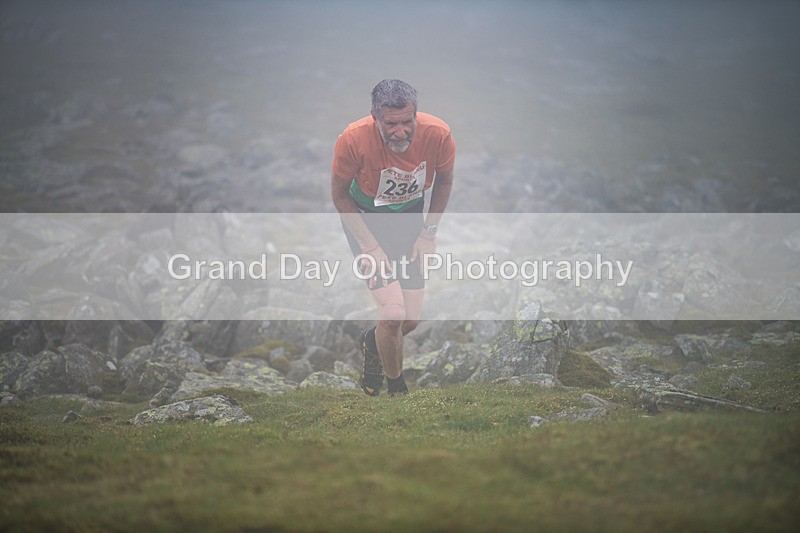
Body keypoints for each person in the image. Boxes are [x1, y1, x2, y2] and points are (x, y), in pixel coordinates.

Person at [331, 79, 455, 396]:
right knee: (392, 316)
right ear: (375, 117)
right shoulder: (352, 138)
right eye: (390, 124)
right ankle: (396, 388)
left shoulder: (438, 134)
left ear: (415, 114)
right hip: (364, 220)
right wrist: (370, 246)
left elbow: (443, 182)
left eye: (406, 122)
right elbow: (339, 196)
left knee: (409, 321)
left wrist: (428, 234)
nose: (400, 132)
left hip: (410, 219)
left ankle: (370, 342)